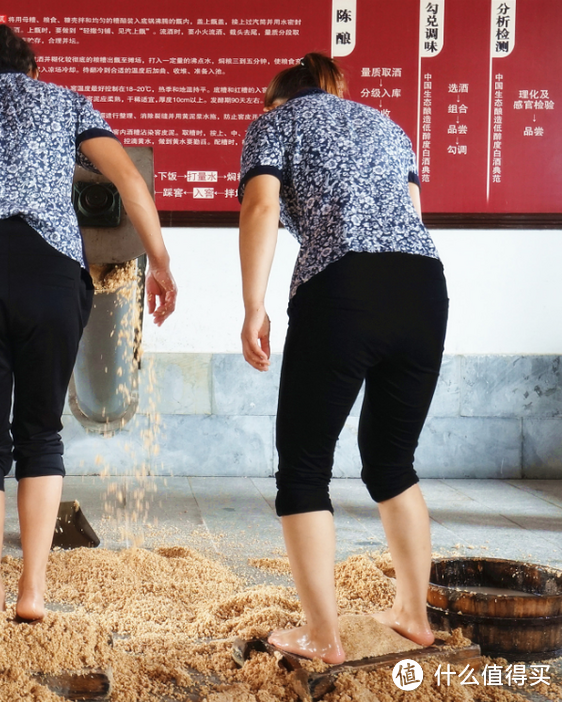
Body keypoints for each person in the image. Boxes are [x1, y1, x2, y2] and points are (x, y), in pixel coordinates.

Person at [0, 24, 176, 622]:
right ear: (31, 67)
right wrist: (161, 264)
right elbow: (128, 179)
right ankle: (33, 596)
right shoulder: (66, 102)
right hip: (52, 275)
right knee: (41, 433)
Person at [237, 53, 448, 664]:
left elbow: (261, 207)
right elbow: (410, 215)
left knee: (303, 469)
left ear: (280, 97)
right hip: (424, 286)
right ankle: (414, 614)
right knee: (392, 464)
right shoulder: (389, 126)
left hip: (343, 286)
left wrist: (255, 307)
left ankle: (321, 634)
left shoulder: (276, 123)